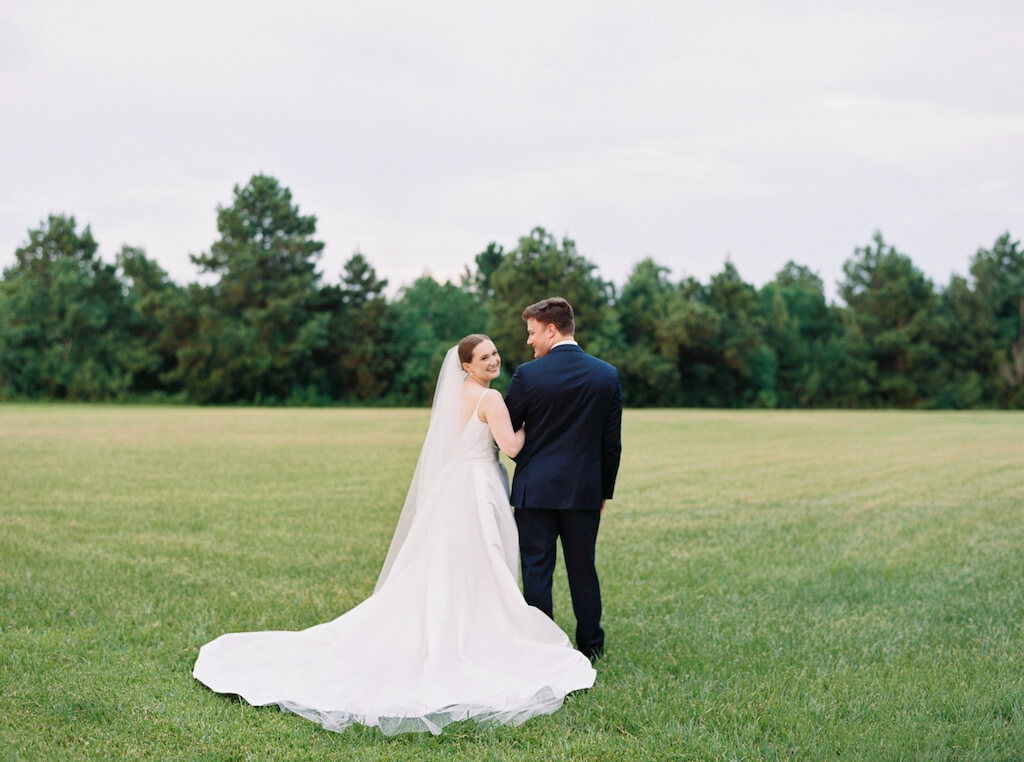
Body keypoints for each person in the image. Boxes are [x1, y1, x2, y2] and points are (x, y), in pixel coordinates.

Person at [192, 335, 595, 736]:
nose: (494, 360)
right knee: (483, 559)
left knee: (446, 562)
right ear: (467, 366)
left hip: (452, 488)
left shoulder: (455, 396)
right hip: (478, 490)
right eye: (484, 357)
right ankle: (479, 628)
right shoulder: (490, 400)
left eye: (494, 353)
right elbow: (511, 446)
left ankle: (456, 618)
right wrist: (542, 426)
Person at [504, 298, 623, 661]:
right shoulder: (606, 375)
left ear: (551, 329)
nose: (529, 341)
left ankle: (542, 649)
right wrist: (602, 491)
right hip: (584, 492)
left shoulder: (528, 375)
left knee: (537, 570)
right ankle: (591, 647)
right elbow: (611, 443)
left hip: (535, 490)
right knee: (582, 569)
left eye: (532, 332)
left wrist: (530, 455)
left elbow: (507, 431)